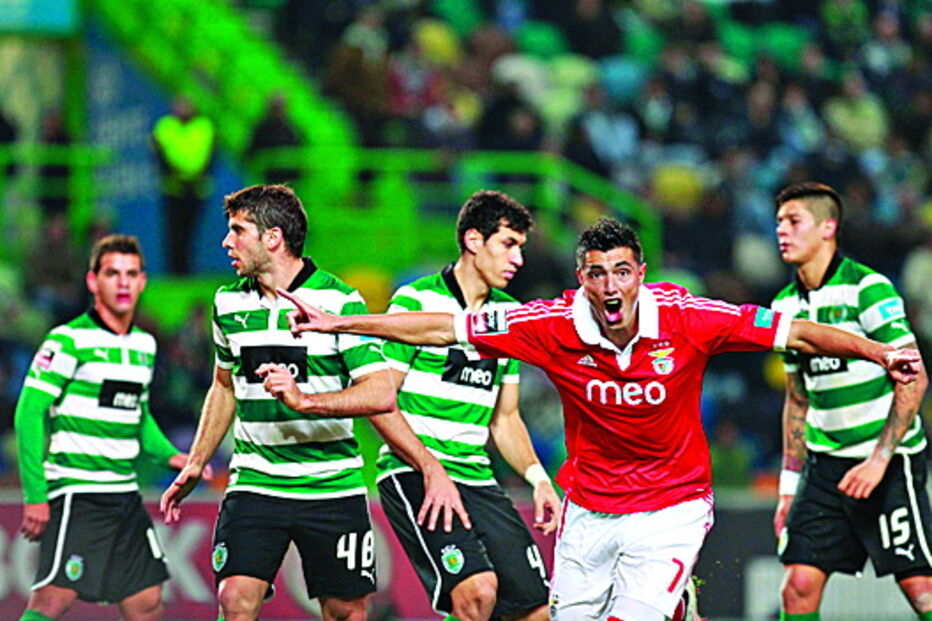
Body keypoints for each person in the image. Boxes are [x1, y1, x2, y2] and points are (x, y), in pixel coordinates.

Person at [274, 217, 923, 621]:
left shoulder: (690, 315)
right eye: (596, 273)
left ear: (640, 274)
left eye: (621, 271)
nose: (610, 285)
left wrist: (876, 350)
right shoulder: (550, 322)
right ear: (582, 279)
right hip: (590, 503)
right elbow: (443, 327)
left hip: (671, 503)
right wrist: (342, 321)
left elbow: (798, 331)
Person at [159, 184, 466, 621]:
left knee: (346, 611)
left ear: (273, 237)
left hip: (331, 484)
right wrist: (196, 461)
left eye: (237, 230)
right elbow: (223, 386)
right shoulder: (227, 303)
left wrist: (306, 400)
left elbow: (380, 392)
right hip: (256, 481)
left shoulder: (338, 301)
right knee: (234, 598)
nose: (226, 242)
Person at [261, 190, 560, 621]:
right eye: (508, 244)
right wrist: (429, 467)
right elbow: (382, 401)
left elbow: (506, 417)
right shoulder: (415, 302)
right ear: (474, 241)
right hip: (415, 472)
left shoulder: (507, 317)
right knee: (477, 593)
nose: (518, 259)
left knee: (536, 611)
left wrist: (537, 478)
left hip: (477, 477)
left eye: (521, 248)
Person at [14, 234, 197, 621]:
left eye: (132, 273)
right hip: (78, 491)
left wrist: (170, 455)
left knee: (146, 603)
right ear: (93, 281)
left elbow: (138, 414)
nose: (124, 282)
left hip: (124, 494)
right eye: (112, 273)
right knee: (52, 599)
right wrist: (35, 495)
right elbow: (29, 413)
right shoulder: (68, 341)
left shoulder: (145, 346)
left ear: (143, 281)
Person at [771, 182, 932, 621]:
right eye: (779, 222)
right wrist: (788, 489)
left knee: (922, 590)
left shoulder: (868, 289)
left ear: (828, 228)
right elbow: (797, 400)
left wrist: (880, 459)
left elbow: (915, 377)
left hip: (889, 460)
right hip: (826, 467)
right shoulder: (784, 306)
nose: (781, 231)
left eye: (793, 221)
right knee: (798, 588)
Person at [151, 97, 216, 274]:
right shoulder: (165, 127)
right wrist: (176, 175)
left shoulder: (205, 127)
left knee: (192, 232)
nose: (183, 107)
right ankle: (174, 271)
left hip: (197, 188)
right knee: (174, 231)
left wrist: (197, 176)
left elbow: (211, 155)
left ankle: (187, 269)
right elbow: (159, 155)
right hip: (173, 188)